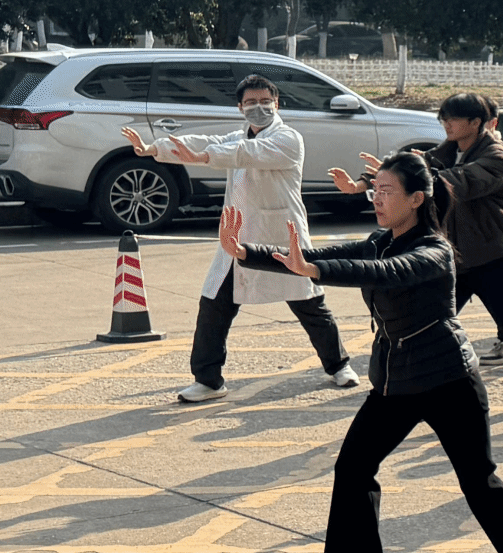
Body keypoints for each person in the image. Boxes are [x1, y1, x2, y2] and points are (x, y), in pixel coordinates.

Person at [223, 152, 503, 553]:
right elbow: (319, 256)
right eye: (374, 191)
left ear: (417, 199)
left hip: (450, 381)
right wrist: (246, 252)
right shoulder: (380, 241)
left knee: (476, 475)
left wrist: (315, 272)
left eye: (387, 192)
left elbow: (381, 273)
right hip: (395, 384)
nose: (377, 199)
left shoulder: (435, 250)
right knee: (352, 470)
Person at [123, 74, 355, 404]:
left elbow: (246, 153)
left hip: (280, 236)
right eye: (251, 103)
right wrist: (154, 148)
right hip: (237, 240)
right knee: (214, 305)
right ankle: (208, 380)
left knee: (308, 304)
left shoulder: (288, 139)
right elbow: (202, 141)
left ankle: (339, 365)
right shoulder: (236, 136)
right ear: (239, 107)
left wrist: (204, 157)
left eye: (265, 102)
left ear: (277, 104)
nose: (259, 108)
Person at [336, 93, 503, 413]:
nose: (446, 124)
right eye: (443, 118)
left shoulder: (496, 155)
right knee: (423, 322)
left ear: (475, 123)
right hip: (453, 257)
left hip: (496, 257)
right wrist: (363, 183)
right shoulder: (447, 150)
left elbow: (463, 181)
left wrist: (415, 178)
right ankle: (409, 388)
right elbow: (410, 163)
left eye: (453, 118)